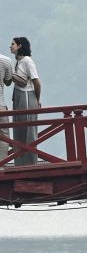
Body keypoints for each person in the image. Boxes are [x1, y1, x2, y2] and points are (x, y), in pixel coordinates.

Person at [9, 37, 40, 166]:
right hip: (18, 96)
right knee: (19, 130)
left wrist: (37, 100)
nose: (10, 46)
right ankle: (20, 164)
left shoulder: (27, 61)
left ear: (20, 46)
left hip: (27, 96)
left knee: (28, 132)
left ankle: (31, 164)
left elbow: (37, 82)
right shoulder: (18, 61)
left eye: (13, 44)